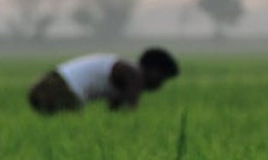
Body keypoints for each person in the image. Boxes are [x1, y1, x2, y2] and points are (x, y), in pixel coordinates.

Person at [28, 47, 179, 114]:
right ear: (153, 69)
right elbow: (127, 113)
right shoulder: (134, 75)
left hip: (46, 84)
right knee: (74, 137)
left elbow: (115, 112)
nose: (159, 85)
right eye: (162, 78)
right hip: (59, 89)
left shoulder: (125, 71)